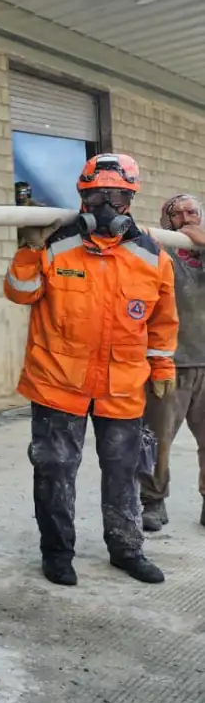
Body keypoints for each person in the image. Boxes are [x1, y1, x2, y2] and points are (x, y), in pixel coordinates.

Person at [5, 153, 176, 587]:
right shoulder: (55, 244)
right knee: (54, 471)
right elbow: (20, 293)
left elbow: (161, 323)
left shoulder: (153, 258)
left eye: (117, 194)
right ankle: (57, 553)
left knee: (124, 473)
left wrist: (161, 370)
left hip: (121, 388)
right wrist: (28, 246)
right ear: (82, 196)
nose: (105, 202)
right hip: (57, 384)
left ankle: (126, 549)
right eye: (95, 193)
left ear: (130, 200)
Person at [141, 194, 205, 530]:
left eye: (191, 212)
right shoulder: (157, 252)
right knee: (158, 438)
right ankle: (152, 503)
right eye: (176, 213)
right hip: (169, 363)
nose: (184, 217)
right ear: (166, 220)